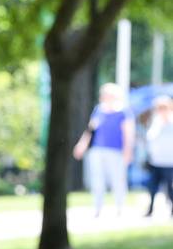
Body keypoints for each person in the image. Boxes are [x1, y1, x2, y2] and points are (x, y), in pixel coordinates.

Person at [73, 82, 134, 217]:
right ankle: (97, 208)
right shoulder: (99, 110)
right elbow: (90, 130)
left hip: (116, 151)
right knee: (97, 179)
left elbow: (128, 133)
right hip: (97, 150)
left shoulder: (123, 112)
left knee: (117, 180)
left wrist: (128, 150)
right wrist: (82, 145)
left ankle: (120, 207)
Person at [145, 94, 173, 216]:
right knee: (152, 186)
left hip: (170, 161)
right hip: (156, 161)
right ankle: (150, 209)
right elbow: (150, 138)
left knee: (170, 188)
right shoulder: (155, 122)